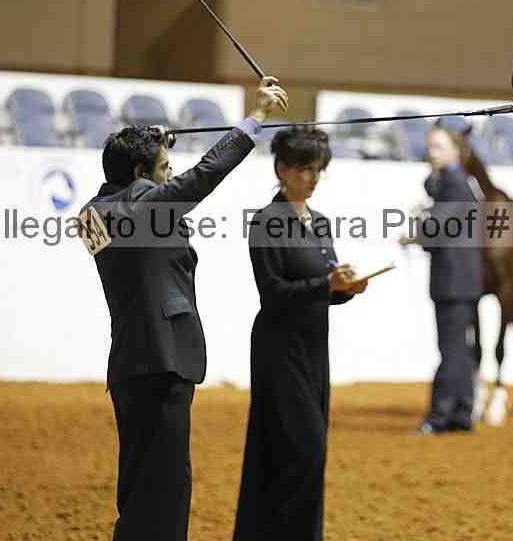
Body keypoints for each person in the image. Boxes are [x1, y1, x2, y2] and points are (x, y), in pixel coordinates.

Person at [81, 77, 288, 541]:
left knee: (142, 482)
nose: (170, 174)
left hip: (133, 361)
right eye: (164, 168)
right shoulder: (140, 210)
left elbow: (139, 193)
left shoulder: (94, 213)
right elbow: (203, 176)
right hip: (162, 357)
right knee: (167, 486)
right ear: (140, 174)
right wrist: (255, 119)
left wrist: (150, 142)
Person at [233, 127, 367, 541]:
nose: (313, 178)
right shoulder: (266, 222)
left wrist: (346, 288)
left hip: (313, 349)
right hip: (279, 350)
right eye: (305, 169)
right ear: (282, 170)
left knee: (305, 453)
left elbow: (326, 288)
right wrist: (327, 285)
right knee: (303, 450)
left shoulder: (320, 222)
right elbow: (273, 293)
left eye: (318, 170)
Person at [402, 126, 482, 434]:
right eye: (430, 146)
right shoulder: (453, 182)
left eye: (438, 146)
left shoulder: (454, 181)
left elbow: (438, 228)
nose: (431, 152)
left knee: (450, 349)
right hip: (459, 279)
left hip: (453, 281)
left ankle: (438, 417)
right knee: (458, 348)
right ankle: (461, 414)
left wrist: (417, 225)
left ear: (455, 151)